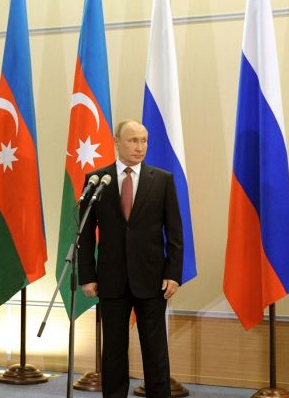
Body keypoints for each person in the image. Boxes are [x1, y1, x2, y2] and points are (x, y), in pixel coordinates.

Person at [79, 119, 183, 398]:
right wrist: (87, 276)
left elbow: (175, 232)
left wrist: (173, 273)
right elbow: (85, 234)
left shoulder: (162, 180)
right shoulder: (97, 180)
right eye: (133, 140)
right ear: (117, 141)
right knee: (113, 350)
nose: (140, 147)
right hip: (111, 279)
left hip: (152, 279)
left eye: (144, 140)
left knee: (155, 350)